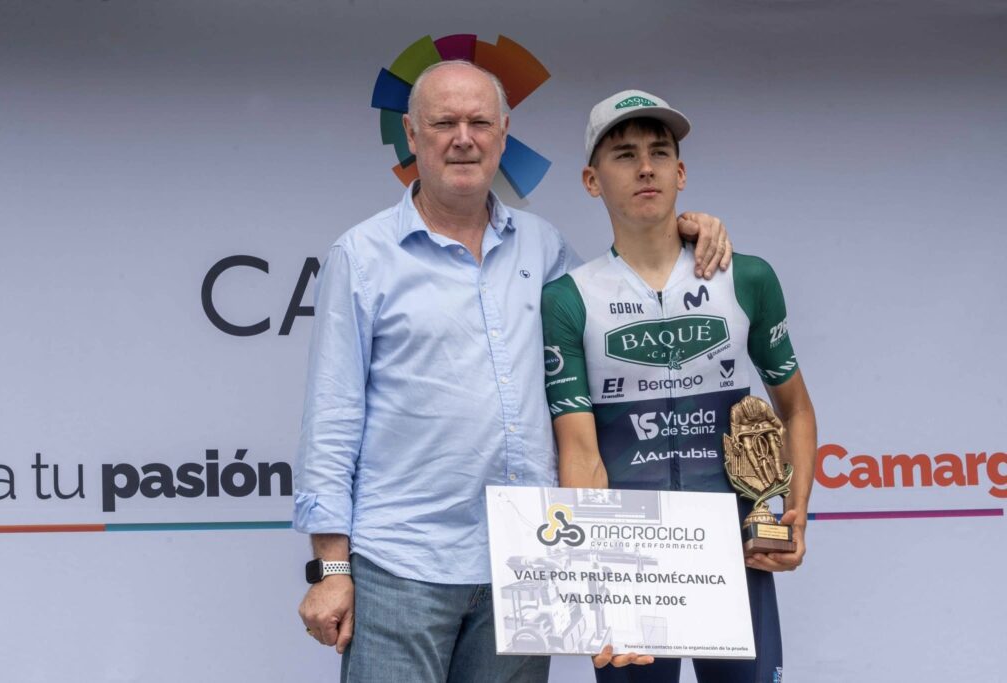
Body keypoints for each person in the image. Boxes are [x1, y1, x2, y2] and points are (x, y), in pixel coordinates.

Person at [294, 64, 732, 683]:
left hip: (526, 563)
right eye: (444, 123)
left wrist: (684, 230)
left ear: (504, 133)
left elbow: (623, 297)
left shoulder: (544, 247)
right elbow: (332, 418)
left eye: (479, 122)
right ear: (412, 136)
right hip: (402, 564)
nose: (463, 139)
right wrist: (331, 569)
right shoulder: (362, 256)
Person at [541, 89, 817, 682]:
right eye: (624, 155)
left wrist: (793, 514)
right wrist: (592, 579)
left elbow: (795, 410)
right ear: (591, 180)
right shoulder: (569, 298)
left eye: (659, 152)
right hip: (629, 562)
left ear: (681, 173)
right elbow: (581, 454)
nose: (645, 167)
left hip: (736, 549)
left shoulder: (747, 277)